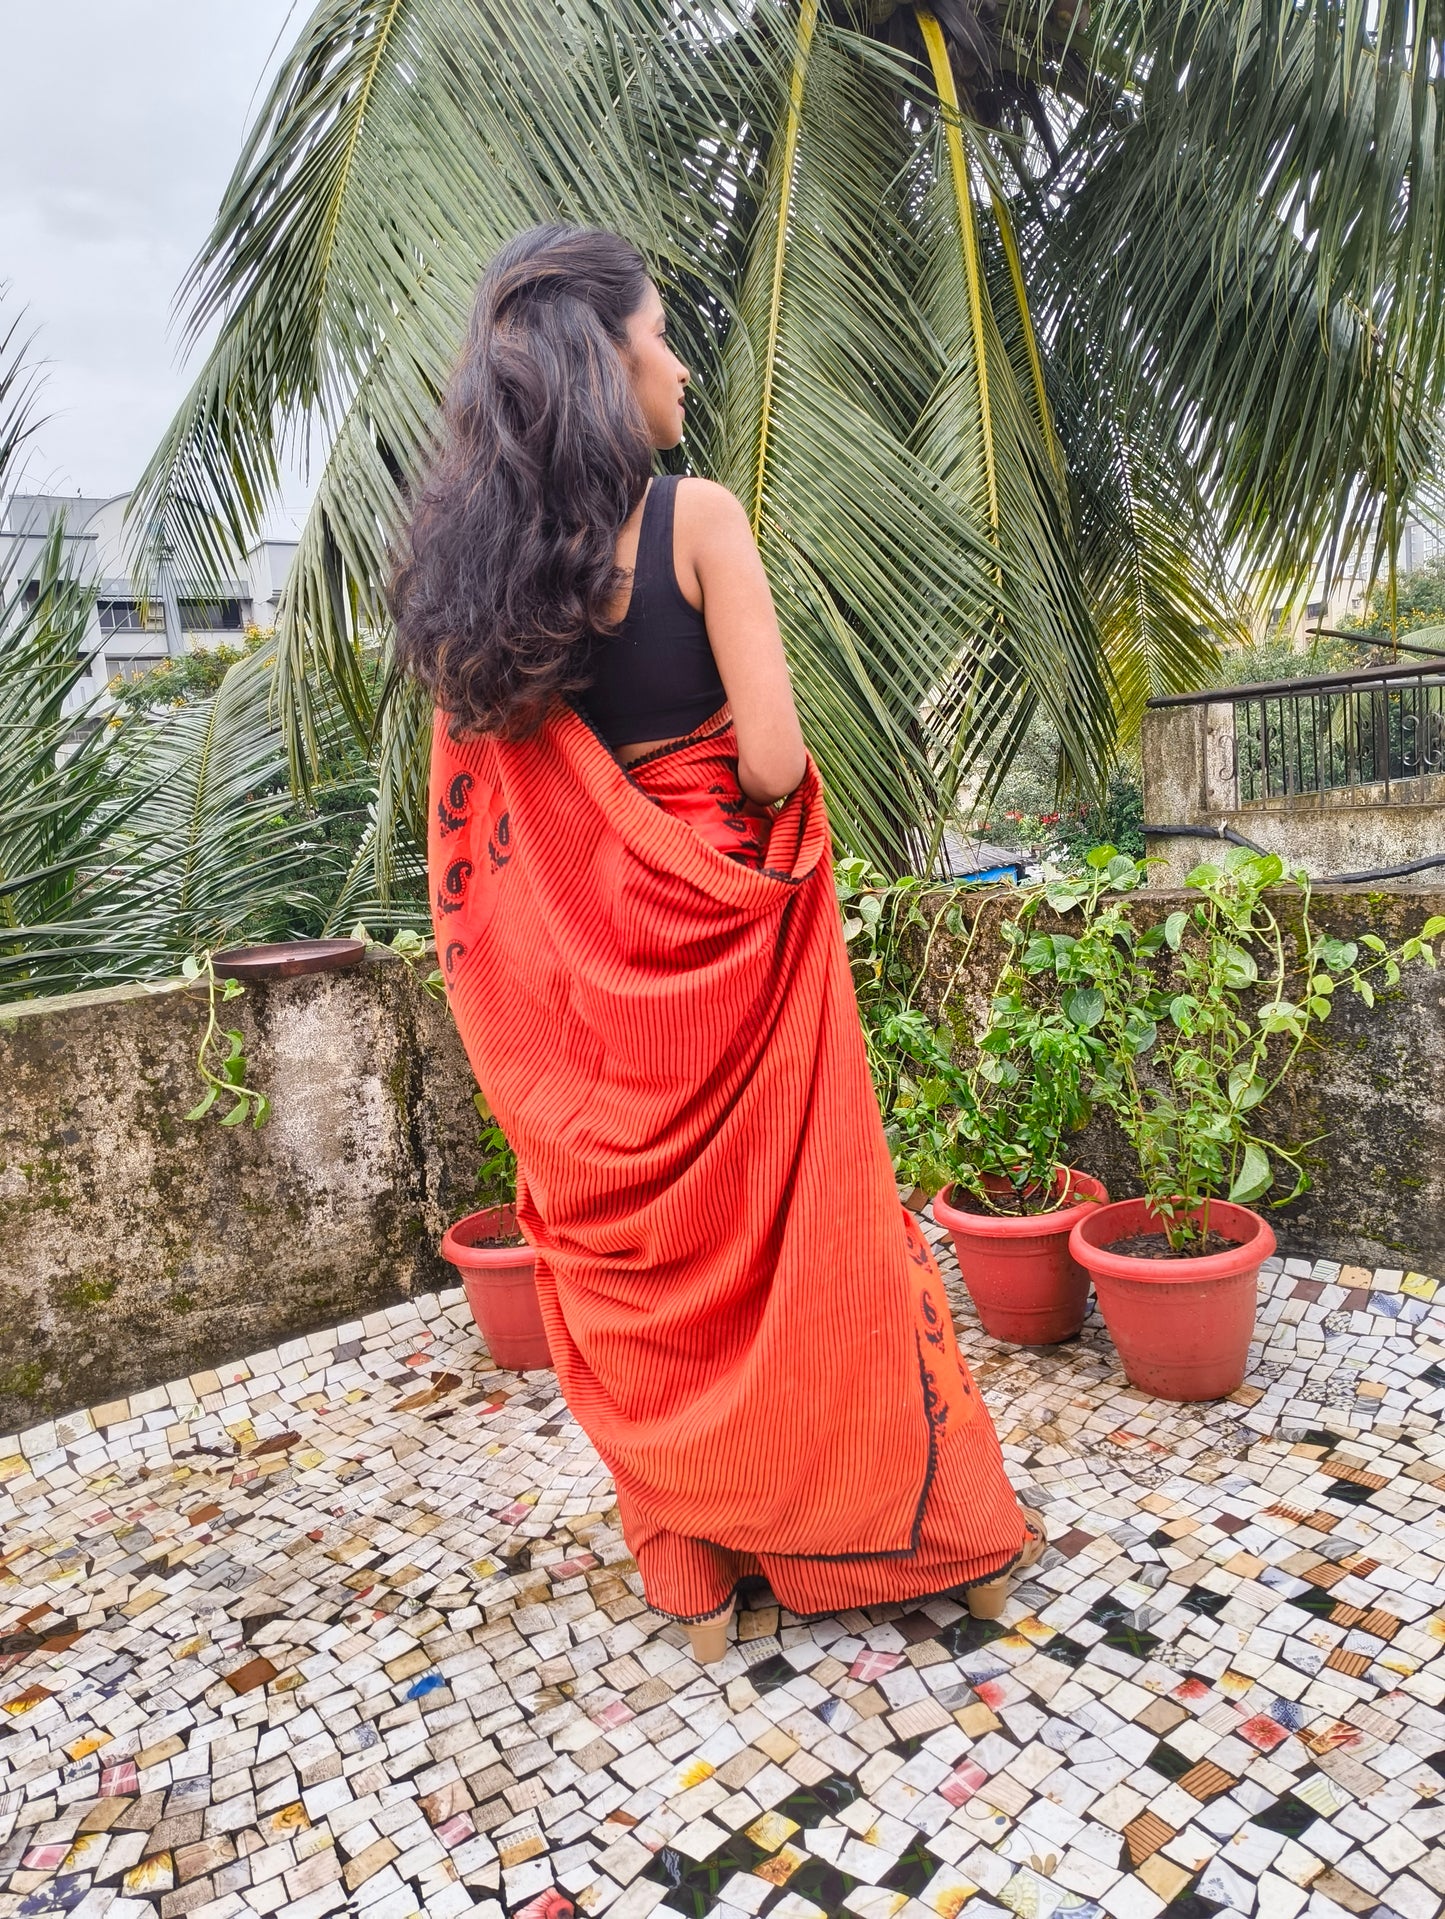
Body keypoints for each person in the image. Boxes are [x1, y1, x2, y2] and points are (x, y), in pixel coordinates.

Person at [391, 224, 1044, 1663]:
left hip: (589, 1016)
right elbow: (766, 761)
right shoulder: (698, 521)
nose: (681, 365)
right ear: (603, 365)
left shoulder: (474, 594)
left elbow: (492, 833)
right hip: (729, 978)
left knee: (650, 1285)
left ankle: (698, 1570)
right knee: (808, 1257)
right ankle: (885, 1538)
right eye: (661, 336)